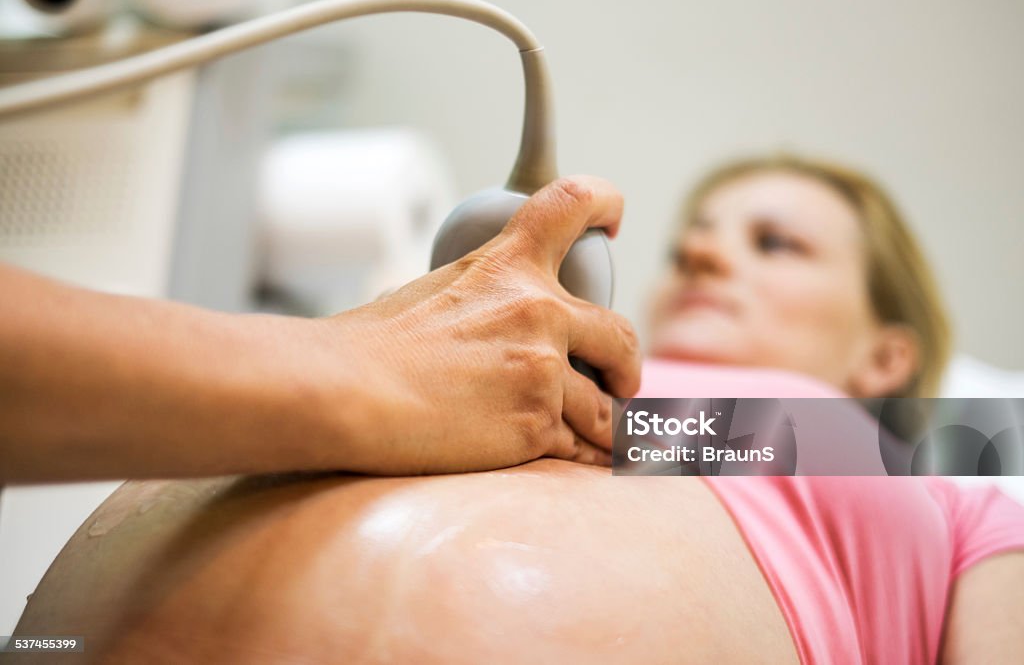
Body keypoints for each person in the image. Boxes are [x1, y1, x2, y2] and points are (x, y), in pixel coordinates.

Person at [11, 156, 1024, 664]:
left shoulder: (948, 452)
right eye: (692, 240)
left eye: (777, 243)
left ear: (885, 354)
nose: (705, 253)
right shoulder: (486, 351)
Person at [0, 176, 641, 483]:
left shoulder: (709, 409)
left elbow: (743, 440)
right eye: (687, 242)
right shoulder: (509, 345)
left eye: (750, 243)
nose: (705, 255)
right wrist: (380, 357)